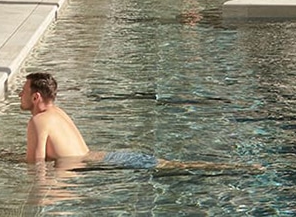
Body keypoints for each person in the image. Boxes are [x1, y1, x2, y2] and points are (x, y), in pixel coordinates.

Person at [15, 72, 250, 172]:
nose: (19, 95)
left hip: (101, 167)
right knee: (172, 165)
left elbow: (37, 167)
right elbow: (45, 156)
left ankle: (233, 168)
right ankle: (231, 168)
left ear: (36, 97)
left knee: (176, 167)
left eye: (22, 91)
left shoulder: (39, 122)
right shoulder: (57, 112)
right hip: (107, 157)